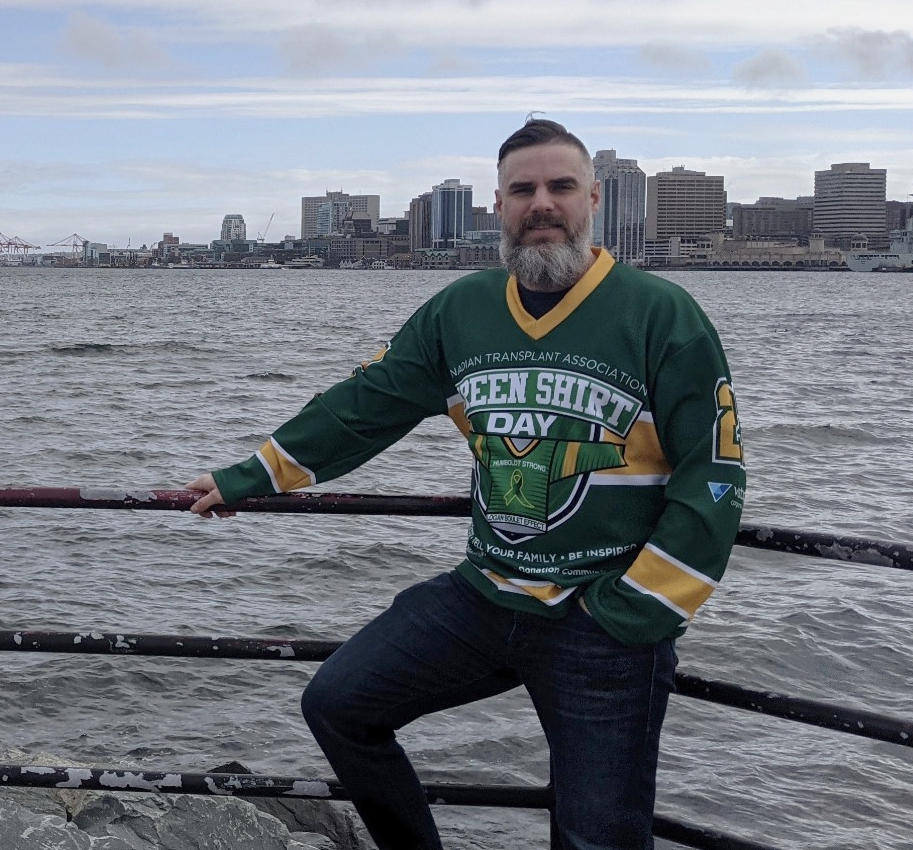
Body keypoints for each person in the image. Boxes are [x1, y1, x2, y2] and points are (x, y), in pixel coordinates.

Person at [184, 118, 746, 850]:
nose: (541, 203)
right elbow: (364, 407)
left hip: (603, 620)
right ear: (499, 205)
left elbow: (717, 475)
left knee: (596, 838)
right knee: (339, 703)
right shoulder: (461, 311)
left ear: (594, 200)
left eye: (560, 186)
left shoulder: (662, 314)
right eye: (523, 190)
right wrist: (250, 477)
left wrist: (633, 610)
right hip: (483, 596)